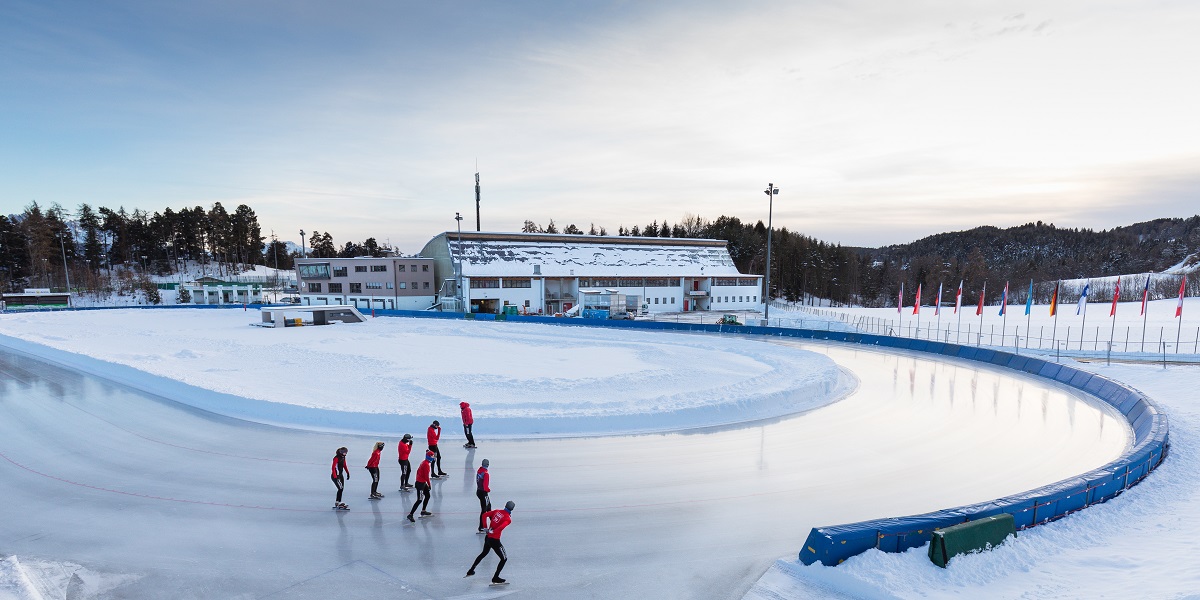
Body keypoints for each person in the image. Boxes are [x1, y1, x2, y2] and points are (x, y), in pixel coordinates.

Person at [466, 500, 514, 584]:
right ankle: (495, 577)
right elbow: (501, 527)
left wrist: (485, 527)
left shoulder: (497, 511)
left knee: (483, 553)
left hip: (487, 538)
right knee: (504, 559)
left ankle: (471, 570)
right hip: (494, 540)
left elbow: (484, 515)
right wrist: (493, 532)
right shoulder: (508, 518)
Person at [406, 450, 435, 522]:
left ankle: (423, 511)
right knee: (419, 499)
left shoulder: (425, 462)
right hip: (420, 484)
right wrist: (429, 484)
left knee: (427, 495)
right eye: (432, 456)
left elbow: (419, 472)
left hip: (422, 482)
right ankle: (410, 514)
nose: (433, 458)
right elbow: (426, 476)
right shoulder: (426, 464)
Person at [475, 459, 491, 533]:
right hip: (483, 493)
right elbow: (485, 486)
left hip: (478, 491)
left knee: (488, 507)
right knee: (485, 509)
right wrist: (488, 490)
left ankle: (489, 524)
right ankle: (482, 526)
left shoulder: (479, 471)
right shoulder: (486, 473)